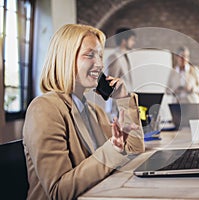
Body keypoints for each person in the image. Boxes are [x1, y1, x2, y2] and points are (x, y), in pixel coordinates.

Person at [22, 24, 145, 200]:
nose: (100, 64)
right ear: (66, 58)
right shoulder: (44, 109)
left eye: (100, 56)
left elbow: (134, 148)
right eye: (90, 55)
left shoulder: (94, 111)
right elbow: (59, 191)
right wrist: (113, 150)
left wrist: (124, 99)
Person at [106, 28, 136, 119]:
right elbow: (110, 83)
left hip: (126, 102)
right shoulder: (115, 57)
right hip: (118, 106)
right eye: (132, 40)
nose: (133, 43)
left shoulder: (124, 56)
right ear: (124, 41)